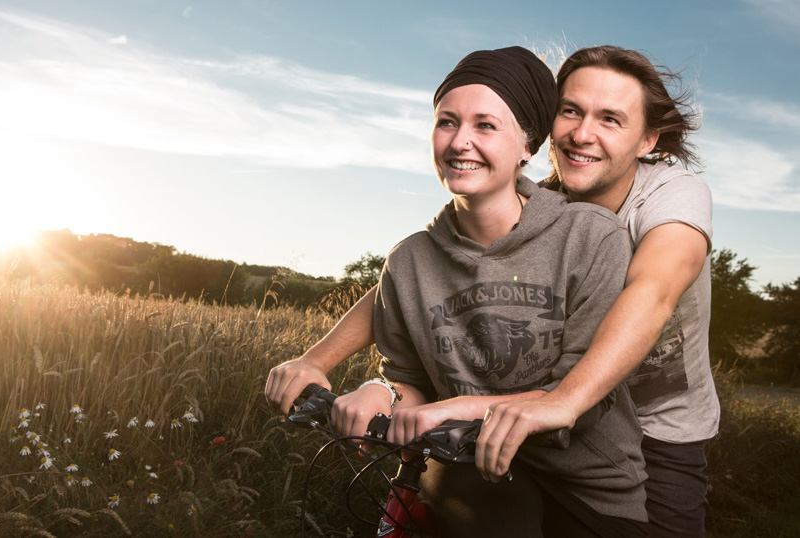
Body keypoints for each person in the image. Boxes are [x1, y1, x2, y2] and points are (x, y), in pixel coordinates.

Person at [267, 45, 717, 537]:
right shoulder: (533, 198)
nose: (582, 133)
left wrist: (563, 401)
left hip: (651, 422)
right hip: (517, 425)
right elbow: (416, 283)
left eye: (610, 119)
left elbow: (653, 292)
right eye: (570, 111)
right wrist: (327, 363)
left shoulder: (666, 196)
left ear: (647, 139)